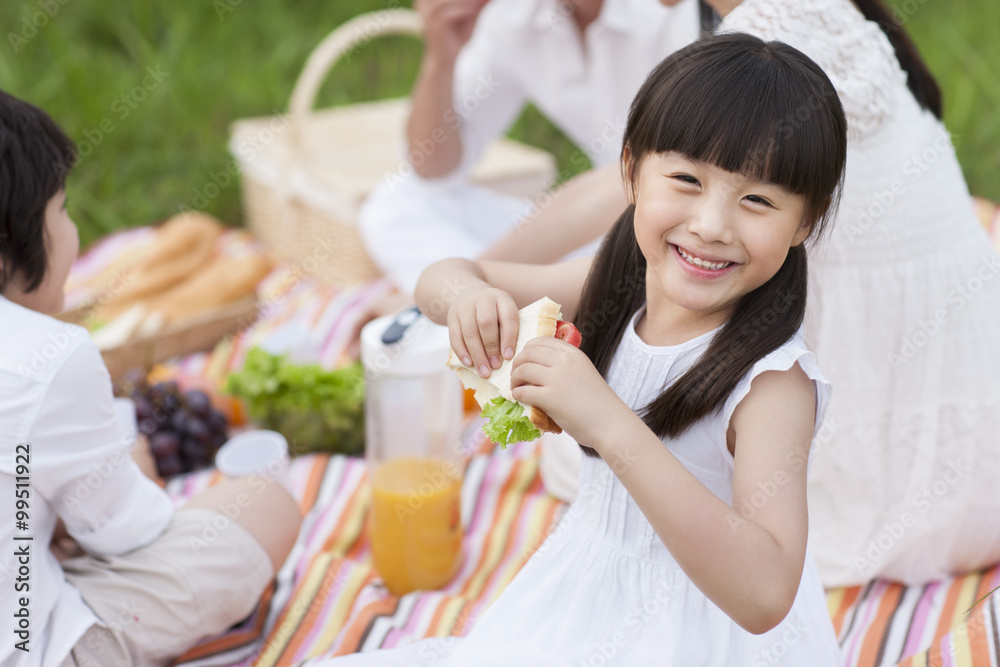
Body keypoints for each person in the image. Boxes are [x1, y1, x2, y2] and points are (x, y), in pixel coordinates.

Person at [315, 33, 848, 664]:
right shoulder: (619, 290)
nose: (711, 225)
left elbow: (764, 592)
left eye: (757, 200)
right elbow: (447, 273)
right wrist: (466, 300)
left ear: (805, 222)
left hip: (700, 638)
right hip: (589, 594)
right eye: (685, 179)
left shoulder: (771, 384)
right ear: (630, 171)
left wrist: (607, 421)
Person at [520, 0, 1000, 587]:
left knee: (598, 452)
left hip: (878, 469)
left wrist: (489, 264)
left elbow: (618, 190)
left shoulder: (769, 44)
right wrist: (478, 270)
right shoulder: (823, 12)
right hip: (972, 426)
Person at [0, 90, 303, 667]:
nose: (74, 234)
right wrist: (128, 467)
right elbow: (122, 531)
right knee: (263, 504)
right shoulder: (46, 355)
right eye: (60, 209)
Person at [355, 0, 703, 297]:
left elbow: (648, 181)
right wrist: (440, 57)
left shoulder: (674, 13)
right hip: (582, 233)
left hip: (663, 237)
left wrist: (463, 285)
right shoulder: (518, 14)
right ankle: (503, 312)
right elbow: (432, 167)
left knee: (636, 267)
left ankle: (461, 318)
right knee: (395, 206)